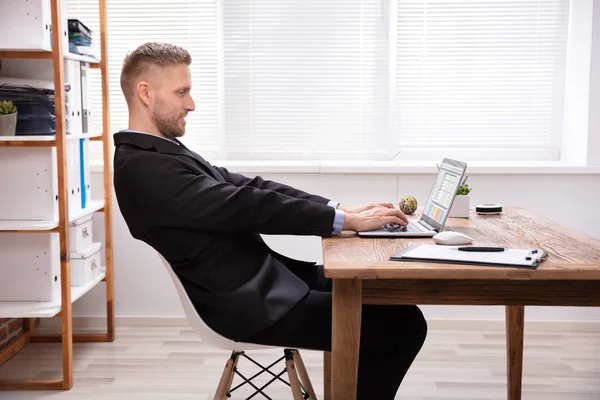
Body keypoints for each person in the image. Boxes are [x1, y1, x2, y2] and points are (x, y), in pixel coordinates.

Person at [113, 42, 427, 399]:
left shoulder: (162, 153)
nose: (191, 104)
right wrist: (342, 220)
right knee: (401, 325)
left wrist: (343, 210)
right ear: (145, 93)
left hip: (270, 283)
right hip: (251, 306)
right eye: (181, 92)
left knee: (389, 301)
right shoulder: (140, 169)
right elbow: (247, 205)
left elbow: (250, 186)